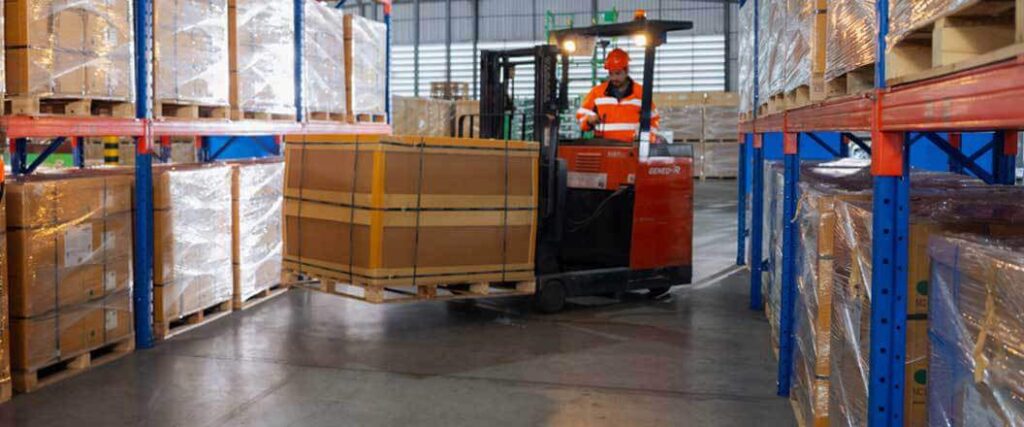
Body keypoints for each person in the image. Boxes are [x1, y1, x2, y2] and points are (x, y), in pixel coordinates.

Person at [575, 48, 660, 143]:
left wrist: (647, 139)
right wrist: (588, 120)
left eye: (618, 73)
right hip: (603, 147)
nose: (614, 78)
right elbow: (581, 116)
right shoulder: (597, 93)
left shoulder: (641, 92)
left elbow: (653, 119)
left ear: (626, 70)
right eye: (611, 73)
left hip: (631, 150)